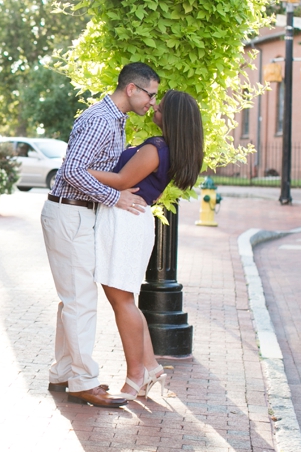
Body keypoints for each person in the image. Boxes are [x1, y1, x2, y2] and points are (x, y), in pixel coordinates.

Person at [40, 62, 160, 408]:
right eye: (150, 94)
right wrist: (116, 196)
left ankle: (63, 373)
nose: (152, 102)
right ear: (132, 89)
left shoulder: (115, 120)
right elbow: (72, 170)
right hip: (70, 211)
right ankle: (83, 382)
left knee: (72, 299)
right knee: (81, 301)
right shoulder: (102, 120)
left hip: (75, 212)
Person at [88, 89, 204, 400]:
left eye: (160, 107)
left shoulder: (156, 148)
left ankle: (136, 376)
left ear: (172, 118)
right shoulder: (169, 149)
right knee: (126, 300)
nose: (154, 107)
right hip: (131, 220)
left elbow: (123, 180)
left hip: (125, 220)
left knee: (121, 301)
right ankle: (150, 367)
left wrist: (82, 170)